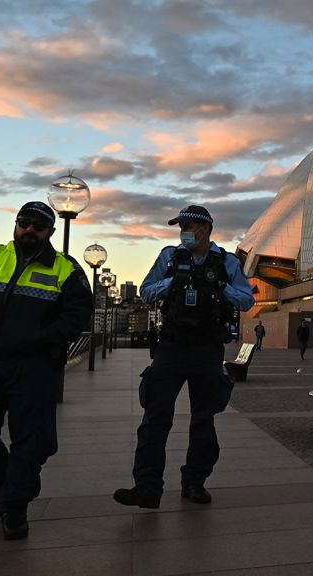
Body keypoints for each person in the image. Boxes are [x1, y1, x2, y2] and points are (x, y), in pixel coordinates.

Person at [0, 201, 93, 540]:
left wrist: (43, 339)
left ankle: (15, 506)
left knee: (31, 441)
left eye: (38, 225)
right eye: (23, 222)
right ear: (15, 225)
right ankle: (3, 477)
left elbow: (77, 314)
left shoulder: (65, 268)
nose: (29, 229)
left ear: (50, 232)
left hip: (33, 367)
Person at [114, 205, 254, 509]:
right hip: (171, 347)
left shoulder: (226, 262)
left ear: (205, 229)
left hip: (207, 349)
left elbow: (246, 299)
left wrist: (219, 286)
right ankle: (147, 487)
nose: (183, 233)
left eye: (188, 226)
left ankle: (195, 481)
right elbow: (146, 291)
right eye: (180, 227)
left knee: (203, 420)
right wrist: (173, 282)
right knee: (155, 416)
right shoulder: (169, 256)